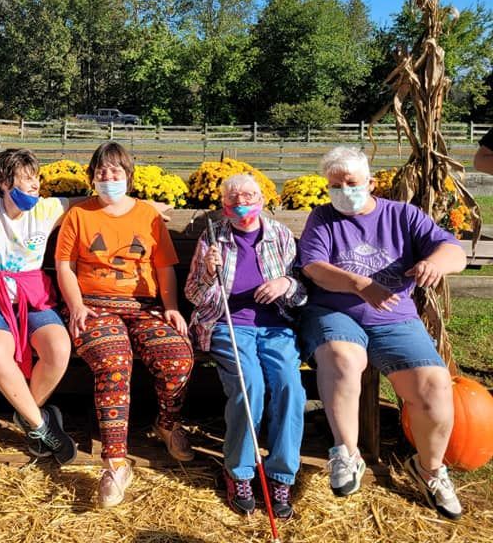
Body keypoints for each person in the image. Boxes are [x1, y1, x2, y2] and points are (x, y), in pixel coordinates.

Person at [298, 146, 467, 520]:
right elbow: (313, 267)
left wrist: (433, 263)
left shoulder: (402, 215)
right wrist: (359, 283)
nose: (344, 190)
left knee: (435, 384)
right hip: (334, 311)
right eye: (336, 185)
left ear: (372, 183)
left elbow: (454, 251)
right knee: (343, 359)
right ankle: (347, 453)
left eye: (352, 183)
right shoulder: (322, 219)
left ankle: (431, 469)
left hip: (395, 317)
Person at [55, 141, 194, 508]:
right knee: (114, 359)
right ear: (92, 178)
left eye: (115, 171)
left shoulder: (147, 215)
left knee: (176, 352)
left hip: (144, 305)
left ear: (128, 177)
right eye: (101, 172)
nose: (108, 177)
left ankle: (167, 423)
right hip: (94, 306)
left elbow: (164, 266)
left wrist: (172, 308)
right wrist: (76, 305)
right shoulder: (79, 215)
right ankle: (115, 463)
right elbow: (65, 265)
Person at [184, 174, 306, 519]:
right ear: (224, 205)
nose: (242, 203)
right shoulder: (213, 239)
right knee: (248, 385)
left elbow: (302, 292)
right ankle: (239, 471)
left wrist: (285, 283)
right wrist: (208, 274)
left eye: (249, 196)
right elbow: (193, 295)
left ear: (263, 200)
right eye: (235, 198)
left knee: (289, 387)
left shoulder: (280, 236)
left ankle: (281, 475)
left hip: (276, 328)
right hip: (227, 324)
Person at [0, 148, 77, 464]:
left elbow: (91, 207)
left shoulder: (49, 209)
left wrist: (147, 205)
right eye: (24, 179)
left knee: (59, 349)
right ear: (2, 183)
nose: (34, 185)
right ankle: (41, 427)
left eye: (35, 178)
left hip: (34, 300)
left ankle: (25, 415)